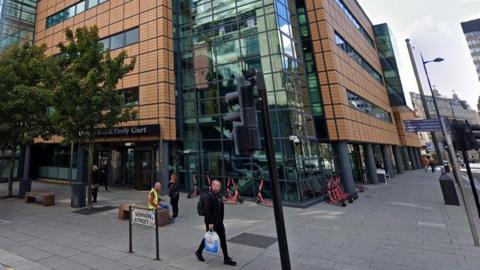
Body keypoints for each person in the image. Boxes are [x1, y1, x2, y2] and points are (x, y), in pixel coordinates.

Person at [195, 180, 236, 266]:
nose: (219, 188)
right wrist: (210, 222)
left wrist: (221, 220)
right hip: (211, 222)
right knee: (209, 237)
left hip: (219, 222)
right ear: (212, 186)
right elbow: (206, 210)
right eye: (217, 186)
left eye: (219, 186)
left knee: (223, 239)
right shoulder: (208, 196)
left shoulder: (218, 196)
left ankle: (226, 258)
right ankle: (199, 251)